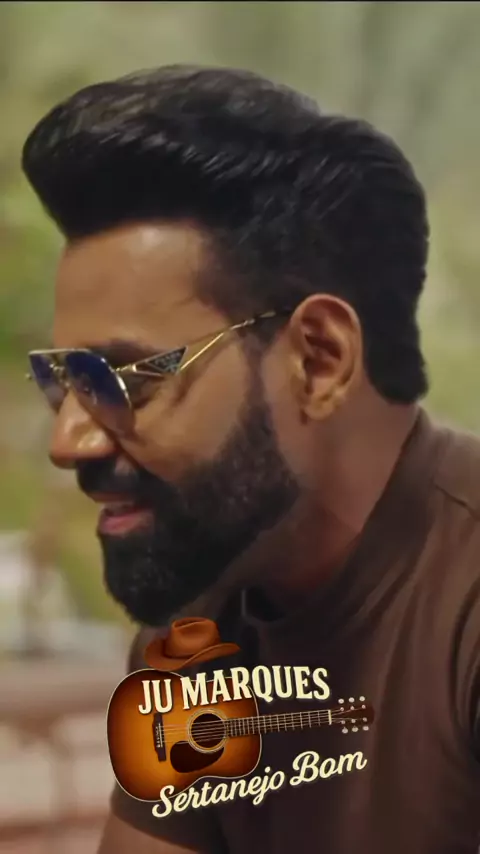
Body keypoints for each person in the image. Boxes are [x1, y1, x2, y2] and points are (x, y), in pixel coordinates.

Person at [21, 65, 480, 854]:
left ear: (319, 361)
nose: (70, 441)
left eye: (125, 378)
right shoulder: (205, 604)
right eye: (66, 380)